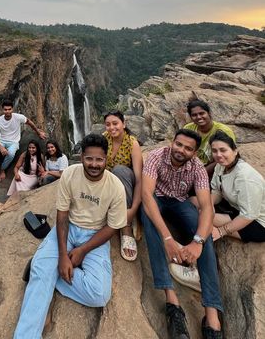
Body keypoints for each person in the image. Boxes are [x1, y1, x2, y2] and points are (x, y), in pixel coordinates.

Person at [13, 133, 126, 339]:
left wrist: (82, 250)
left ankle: (46, 271)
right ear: (81, 156)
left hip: (95, 236)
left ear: (106, 159)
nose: (94, 164)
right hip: (68, 229)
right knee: (41, 276)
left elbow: (112, 227)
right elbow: (62, 215)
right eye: (89, 158)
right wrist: (64, 255)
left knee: (99, 294)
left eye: (99, 159)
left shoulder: (116, 187)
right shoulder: (70, 175)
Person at [141, 128, 223, 339]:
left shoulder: (197, 168)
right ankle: (172, 301)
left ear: (194, 153)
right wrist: (167, 238)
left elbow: (206, 207)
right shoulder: (156, 157)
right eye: (178, 144)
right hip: (157, 198)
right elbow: (147, 195)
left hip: (180, 201)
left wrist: (198, 242)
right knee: (148, 217)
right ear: (172, 142)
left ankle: (212, 315)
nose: (181, 150)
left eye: (188, 148)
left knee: (205, 233)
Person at [209, 131, 265, 243]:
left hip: (257, 221)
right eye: (214, 151)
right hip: (236, 208)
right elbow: (217, 191)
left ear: (235, 151)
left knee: (202, 220)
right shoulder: (221, 166)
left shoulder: (245, 177)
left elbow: (249, 215)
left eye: (223, 150)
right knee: (199, 208)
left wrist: (221, 231)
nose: (218, 155)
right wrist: (208, 206)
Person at [103, 110, 143, 261]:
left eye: (115, 123)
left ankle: (126, 227)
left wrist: (133, 210)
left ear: (124, 124)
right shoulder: (105, 138)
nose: (112, 127)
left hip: (127, 185)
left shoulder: (132, 143)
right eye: (108, 124)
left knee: (119, 170)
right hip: (109, 184)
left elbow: (139, 180)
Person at [0, 100, 47, 190]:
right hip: (1, 140)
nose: (7, 111)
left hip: (13, 142)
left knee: (11, 153)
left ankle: (2, 169)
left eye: (9, 109)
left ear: (12, 109)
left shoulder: (18, 117)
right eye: (5, 109)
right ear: (2, 110)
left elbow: (29, 122)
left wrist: (38, 133)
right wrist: (1, 148)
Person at [184, 99, 236, 177]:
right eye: (194, 115)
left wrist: (200, 174)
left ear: (209, 113)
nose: (198, 117)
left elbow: (227, 156)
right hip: (191, 167)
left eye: (202, 113)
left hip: (215, 170)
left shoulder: (223, 131)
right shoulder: (188, 129)